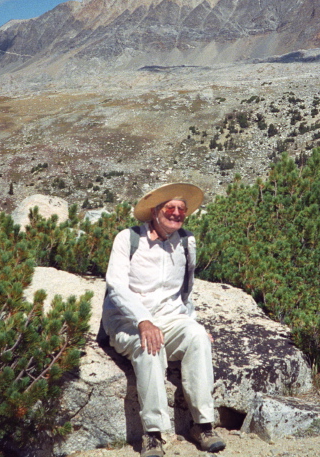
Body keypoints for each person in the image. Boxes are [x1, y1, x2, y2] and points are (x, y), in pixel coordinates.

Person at [101, 183, 225, 457]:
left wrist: (192, 321)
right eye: (170, 207)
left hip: (170, 318)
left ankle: (203, 425)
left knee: (198, 339)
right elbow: (116, 286)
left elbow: (184, 290)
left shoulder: (186, 242)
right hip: (128, 319)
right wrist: (143, 320)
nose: (177, 213)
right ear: (155, 211)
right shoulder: (128, 239)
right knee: (150, 347)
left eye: (182, 209)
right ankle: (153, 434)